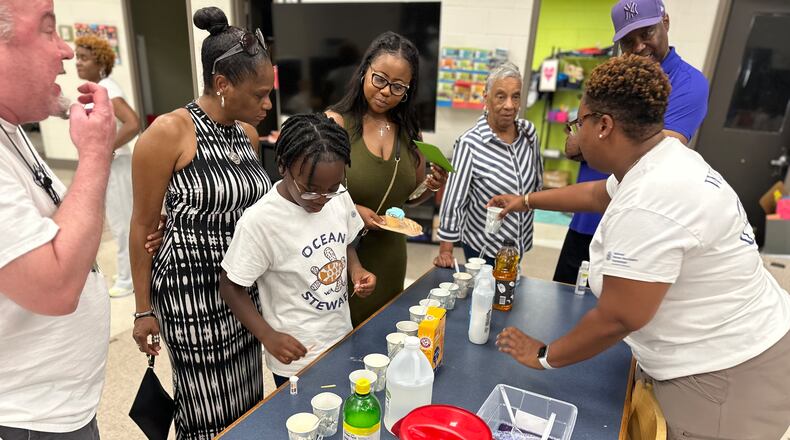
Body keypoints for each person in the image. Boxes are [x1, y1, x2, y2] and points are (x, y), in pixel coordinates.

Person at [491, 54, 790, 440]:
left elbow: (618, 318)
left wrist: (544, 356)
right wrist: (527, 200)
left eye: (577, 123)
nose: (575, 135)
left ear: (604, 126)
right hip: (745, 337)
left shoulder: (651, 201)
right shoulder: (659, 159)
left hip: (726, 370)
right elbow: (599, 194)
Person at [129, 7, 274, 439]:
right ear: (223, 84)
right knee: (205, 406)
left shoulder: (245, 134)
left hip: (241, 288)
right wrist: (142, 310)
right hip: (190, 293)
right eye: (259, 94)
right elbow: (141, 228)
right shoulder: (169, 133)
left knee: (246, 397)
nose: (267, 104)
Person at [0, 0, 116, 437]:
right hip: (25, 421)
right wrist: (94, 153)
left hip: (56, 410)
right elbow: (55, 286)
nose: (66, 52)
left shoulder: (12, 133)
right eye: (48, 30)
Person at [553, 0, 709, 284]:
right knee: (561, 303)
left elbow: (654, 158)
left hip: (634, 225)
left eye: (647, 33)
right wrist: (607, 140)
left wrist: (592, 140)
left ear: (666, 23)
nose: (638, 47)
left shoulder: (689, 84)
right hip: (585, 219)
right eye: (628, 41)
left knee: (611, 317)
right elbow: (573, 145)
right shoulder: (612, 78)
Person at [220, 113, 376, 387]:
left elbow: (346, 241)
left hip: (341, 336)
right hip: (296, 356)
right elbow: (230, 286)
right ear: (283, 166)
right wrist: (267, 335)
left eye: (332, 189)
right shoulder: (260, 222)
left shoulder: (337, 198)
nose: (321, 200)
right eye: (310, 190)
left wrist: (356, 269)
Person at [327, 31, 448, 327]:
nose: (385, 92)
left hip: (392, 257)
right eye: (379, 79)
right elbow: (313, 196)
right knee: (343, 352)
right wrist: (353, 210)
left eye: (397, 87)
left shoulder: (409, 133)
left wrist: (429, 187)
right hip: (343, 257)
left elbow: (407, 197)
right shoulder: (336, 123)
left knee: (386, 337)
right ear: (365, 70)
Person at [433, 62, 542, 268]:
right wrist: (445, 251)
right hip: (483, 247)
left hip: (518, 241)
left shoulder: (529, 133)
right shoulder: (470, 143)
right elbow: (454, 200)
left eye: (515, 96)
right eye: (501, 96)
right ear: (486, 98)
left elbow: (537, 181)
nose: (509, 105)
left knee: (508, 292)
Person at [75, 34, 141, 298]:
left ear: (100, 62)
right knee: (119, 223)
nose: (77, 63)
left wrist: (106, 148)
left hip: (117, 167)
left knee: (122, 225)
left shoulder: (107, 89)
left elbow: (133, 123)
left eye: (84, 57)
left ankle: (128, 280)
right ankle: (128, 274)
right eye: (77, 56)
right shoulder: (100, 88)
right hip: (112, 167)